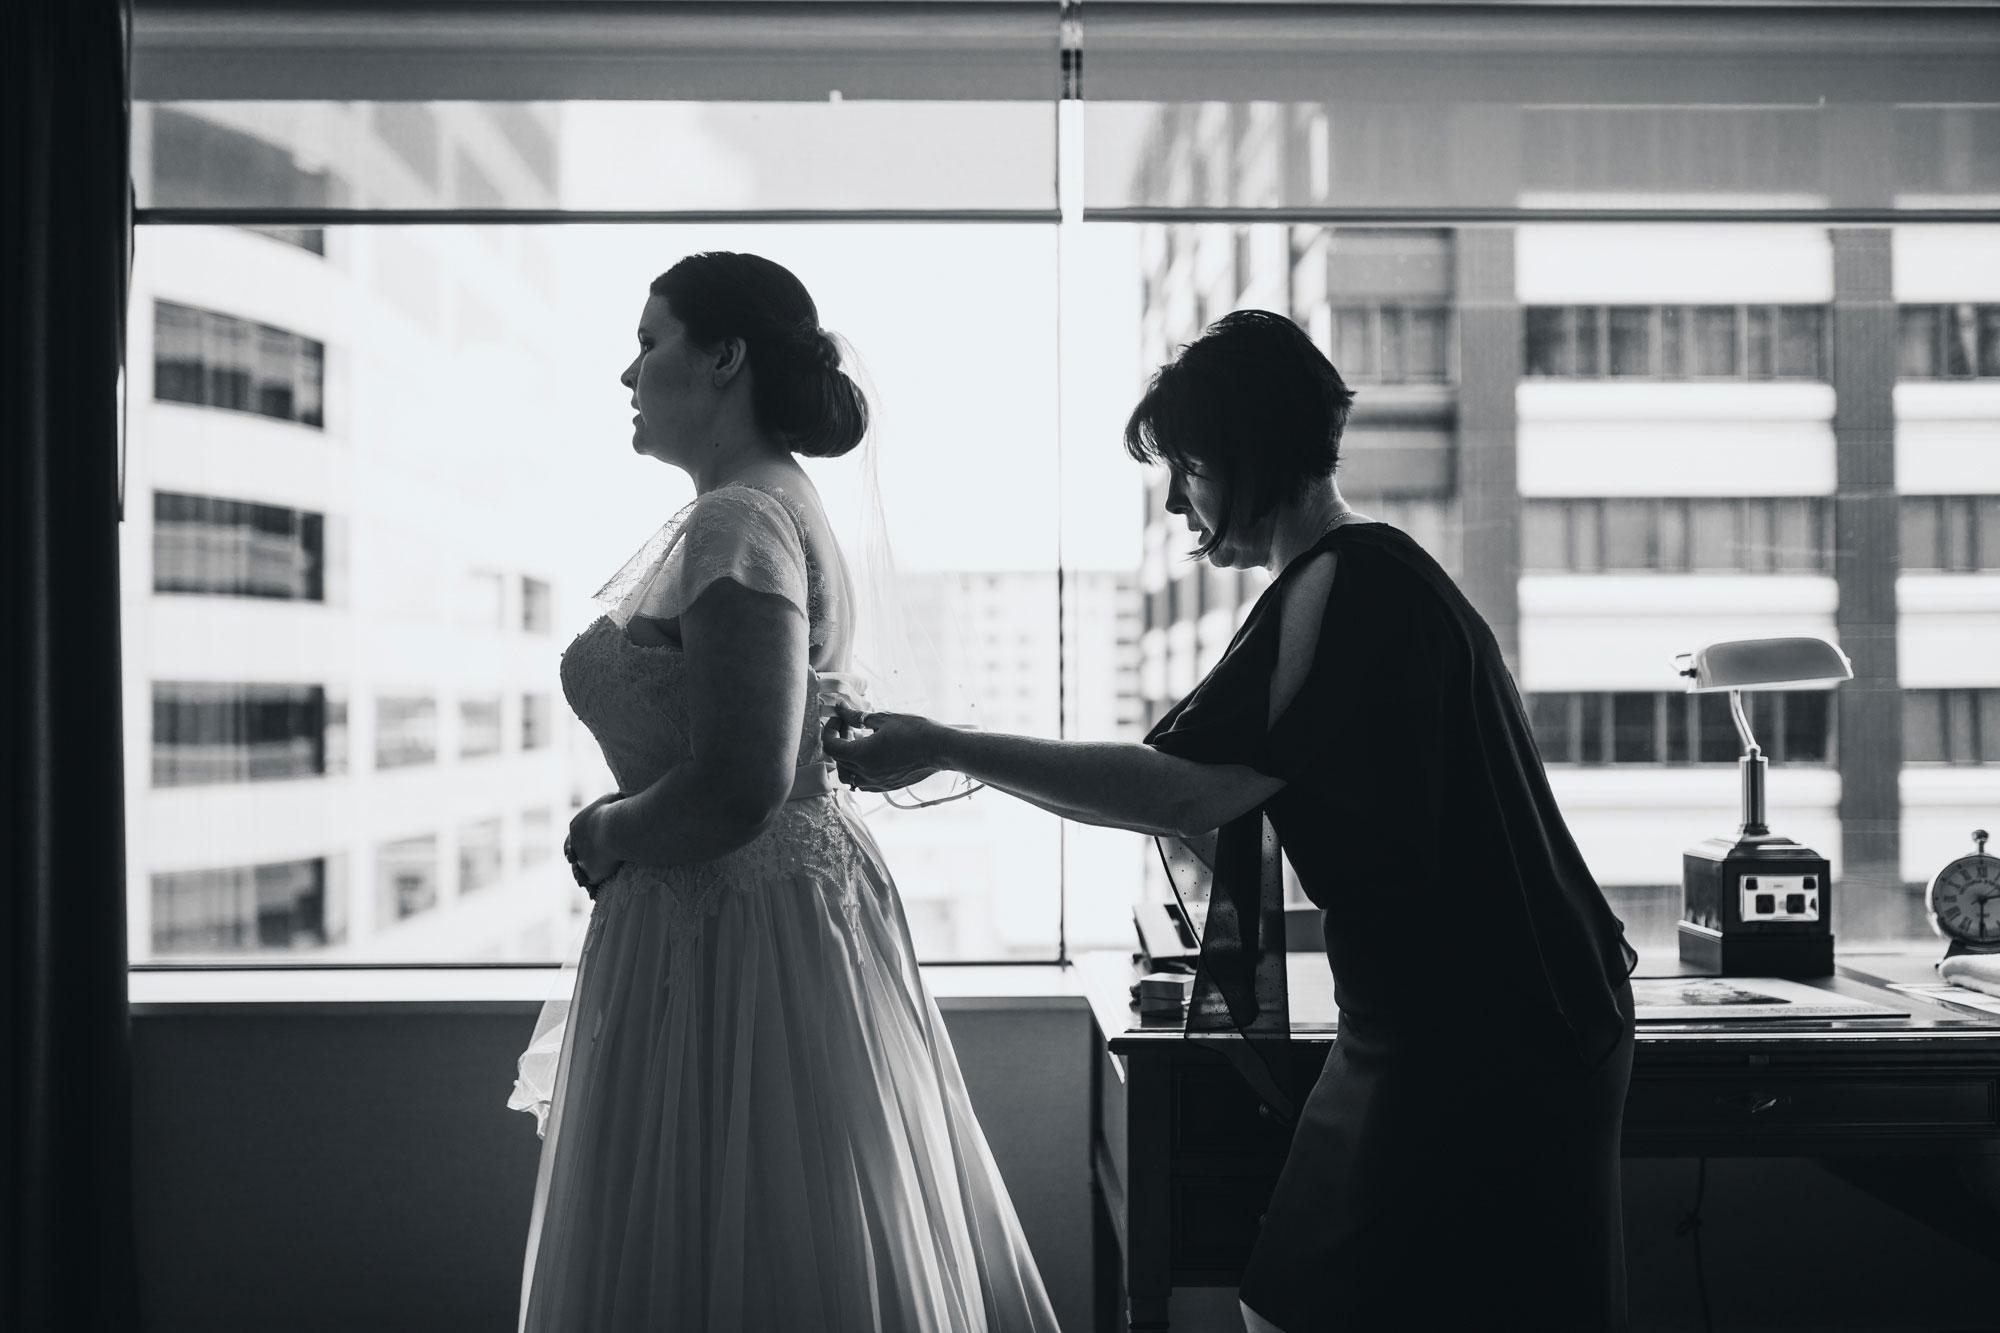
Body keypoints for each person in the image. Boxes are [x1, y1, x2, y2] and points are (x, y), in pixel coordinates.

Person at [827, 310, 1640, 1332]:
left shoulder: (1345, 583)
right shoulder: (1356, 578)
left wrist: (950, 743)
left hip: (1489, 1026)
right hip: (1459, 1012)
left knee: (1311, 1303)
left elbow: (1181, 790)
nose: (1174, 499)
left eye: (1189, 466)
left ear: (1251, 455)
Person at [514, 251, 1059, 1333]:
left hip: (734, 932)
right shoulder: (769, 505)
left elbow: (736, 785)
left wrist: (606, 826)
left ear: (723, 356)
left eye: (648, 341)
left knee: (735, 1230)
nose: (628, 375)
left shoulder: (739, 520)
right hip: (766, 919)